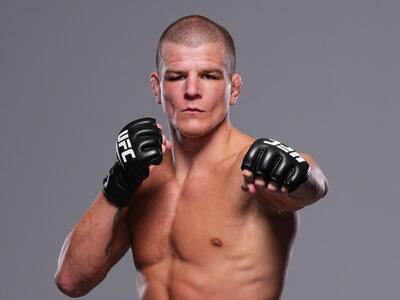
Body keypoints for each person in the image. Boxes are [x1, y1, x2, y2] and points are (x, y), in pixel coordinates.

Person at [55, 15, 328, 300]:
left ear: (233, 89)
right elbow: (72, 280)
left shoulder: (251, 169)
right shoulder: (144, 177)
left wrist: (301, 172)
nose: (192, 91)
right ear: (156, 87)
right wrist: (119, 181)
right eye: (177, 77)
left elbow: (310, 187)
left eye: (209, 76)